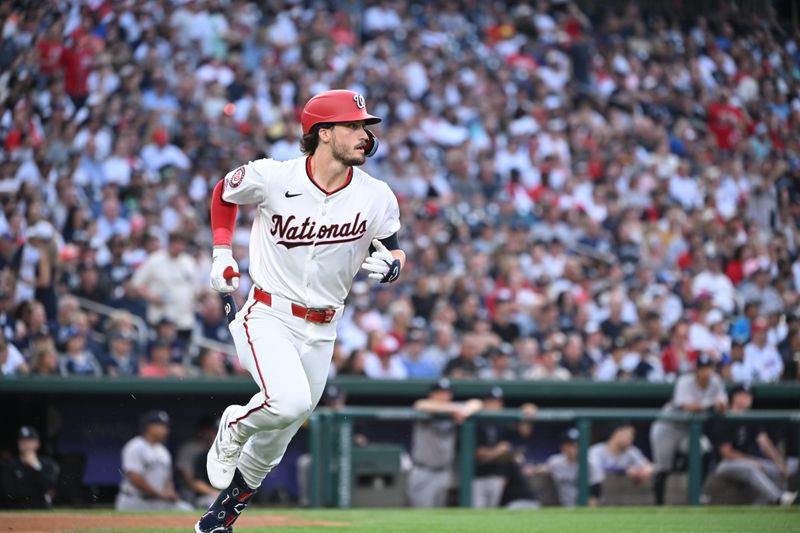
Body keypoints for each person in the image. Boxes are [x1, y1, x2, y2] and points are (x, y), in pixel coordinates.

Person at [197, 90, 404, 533]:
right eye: (353, 126)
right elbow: (223, 192)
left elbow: (394, 246)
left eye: (366, 126)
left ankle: (220, 518)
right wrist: (220, 252)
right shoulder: (273, 176)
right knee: (286, 402)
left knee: (279, 435)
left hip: (325, 327)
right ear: (323, 134)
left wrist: (393, 265)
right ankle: (232, 424)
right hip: (269, 313)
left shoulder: (377, 195)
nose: (365, 135)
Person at [649, 353, 728, 505]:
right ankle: (658, 505)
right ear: (696, 370)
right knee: (663, 468)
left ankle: (696, 494)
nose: (706, 372)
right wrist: (710, 404)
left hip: (688, 430)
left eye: (709, 368)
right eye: (703, 368)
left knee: (704, 450)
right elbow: (685, 406)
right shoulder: (685, 381)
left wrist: (721, 405)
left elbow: (724, 405)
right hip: (668, 427)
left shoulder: (716, 382)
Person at [711, 384, 797, 505]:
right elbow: (726, 452)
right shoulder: (726, 417)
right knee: (750, 468)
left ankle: (760, 506)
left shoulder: (751, 418)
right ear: (734, 397)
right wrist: (750, 460)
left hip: (747, 461)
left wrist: (780, 463)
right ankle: (779, 498)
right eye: (744, 395)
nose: (748, 398)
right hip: (724, 464)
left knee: (778, 470)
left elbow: (764, 442)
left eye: (750, 395)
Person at [407, 378, 482, 508]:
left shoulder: (455, 410)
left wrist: (462, 412)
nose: (444, 396)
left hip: (444, 472)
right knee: (421, 518)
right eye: (440, 393)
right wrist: (454, 410)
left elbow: (477, 403)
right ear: (432, 395)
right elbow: (420, 404)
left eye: (447, 393)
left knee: (438, 517)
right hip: (423, 471)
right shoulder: (429, 409)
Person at [472, 387, 538, 508]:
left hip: (498, 475)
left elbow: (524, 432)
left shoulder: (502, 422)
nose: (495, 405)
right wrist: (497, 451)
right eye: (491, 401)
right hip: (478, 475)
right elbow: (475, 451)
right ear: (485, 403)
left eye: (497, 402)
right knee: (477, 511)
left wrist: (528, 411)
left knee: (491, 514)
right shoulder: (476, 421)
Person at [115, 410, 192, 511]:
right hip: (134, 500)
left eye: (166, 426)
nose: (166, 430)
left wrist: (170, 491)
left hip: (157, 500)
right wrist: (159, 494)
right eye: (162, 426)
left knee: (186, 509)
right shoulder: (135, 446)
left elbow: (167, 478)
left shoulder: (163, 451)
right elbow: (135, 477)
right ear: (149, 427)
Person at [0, 426, 59, 508]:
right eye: (23, 441)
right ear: (18, 444)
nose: (26, 444)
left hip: (41, 507)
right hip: (15, 507)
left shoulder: (47, 463)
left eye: (30, 441)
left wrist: (36, 466)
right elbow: (9, 492)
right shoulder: (9, 465)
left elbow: (50, 487)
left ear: (38, 444)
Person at [543, 427, 603, 507]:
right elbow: (542, 469)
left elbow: (595, 494)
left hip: (583, 508)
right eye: (570, 445)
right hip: (561, 507)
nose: (574, 448)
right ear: (563, 447)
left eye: (577, 445)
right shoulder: (555, 462)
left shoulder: (590, 464)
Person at [589, 422, 653, 489]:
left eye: (632, 436)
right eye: (628, 436)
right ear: (617, 433)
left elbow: (648, 466)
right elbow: (596, 473)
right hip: (599, 492)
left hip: (622, 495)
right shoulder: (596, 451)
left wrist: (641, 472)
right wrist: (625, 470)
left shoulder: (631, 451)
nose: (631, 439)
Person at [176, 415, 219, 509]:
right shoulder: (191, 449)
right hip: (193, 492)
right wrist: (215, 493)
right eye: (213, 431)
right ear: (202, 431)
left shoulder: (221, 451)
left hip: (214, 493)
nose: (215, 435)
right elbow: (191, 481)